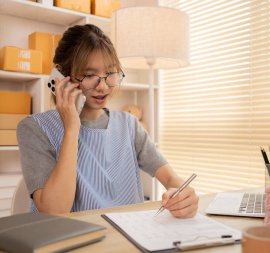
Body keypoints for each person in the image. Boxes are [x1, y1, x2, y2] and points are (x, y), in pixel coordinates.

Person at [17, 24, 198, 218]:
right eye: (89, 75)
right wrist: (71, 128)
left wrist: (184, 196)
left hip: (126, 238)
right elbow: (55, 210)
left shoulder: (129, 125)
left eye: (110, 74)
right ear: (60, 76)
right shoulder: (35, 128)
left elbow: (170, 178)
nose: (102, 86)